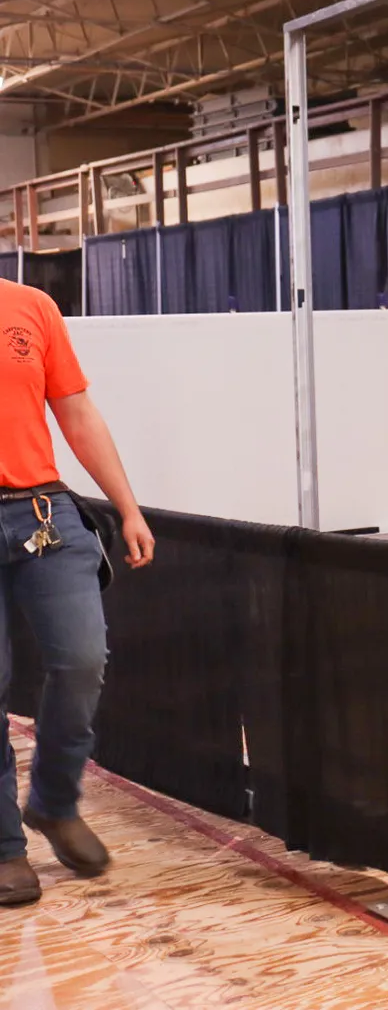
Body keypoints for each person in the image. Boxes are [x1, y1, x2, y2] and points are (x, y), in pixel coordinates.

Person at [0, 277, 154, 904]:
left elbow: (77, 412)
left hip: (41, 512)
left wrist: (129, 507)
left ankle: (54, 802)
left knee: (82, 658)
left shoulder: (31, 306)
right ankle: (5, 849)